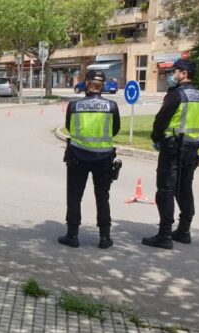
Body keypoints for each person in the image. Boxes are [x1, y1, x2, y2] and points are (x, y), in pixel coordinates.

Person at [142, 59, 199, 249]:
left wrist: (156, 138)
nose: (172, 75)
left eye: (175, 71)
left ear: (184, 73)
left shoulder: (176, 95)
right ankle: (184, 231)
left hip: (173, 149)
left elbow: (161, 120)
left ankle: (164, 235)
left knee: (166, 190)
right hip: (192, 149)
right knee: (185, 188)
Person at [58, 70, 121, 249]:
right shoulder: (112, 106)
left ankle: (72, 235)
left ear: (86, 83)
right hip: (104, 157)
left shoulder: (74, 106)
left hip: (78, 156)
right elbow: (114, 130)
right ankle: (104, 237)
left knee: (74, 196)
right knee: (102, 196)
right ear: (103, 84)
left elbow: (70, 128)